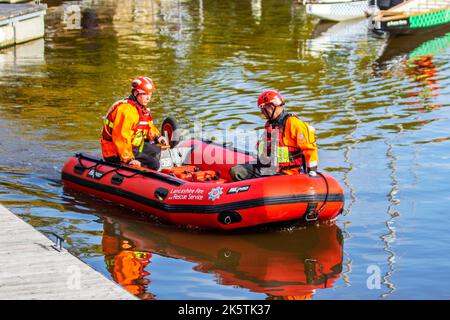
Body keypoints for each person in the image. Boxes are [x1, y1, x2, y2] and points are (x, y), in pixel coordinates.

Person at [229, 90, 318, 181]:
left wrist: (312, 172)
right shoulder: (270, 125)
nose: (263, 113)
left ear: (271, 107)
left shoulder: (294, 124)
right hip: (270, 168)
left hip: (289, 172)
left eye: (263, 110)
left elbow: (310, 149)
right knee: (236, 171)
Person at [101, 76, 167, 170]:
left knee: (157, 152)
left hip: (133, 146)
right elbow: (121, 138)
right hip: (116, 151)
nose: (149, 98)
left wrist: (157, 136)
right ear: (136, 93)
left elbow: (147, 126)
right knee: (154, 163)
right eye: (145, 94)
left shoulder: (140, 108)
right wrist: (129, 159)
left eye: (150, 94)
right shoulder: (126, 111)